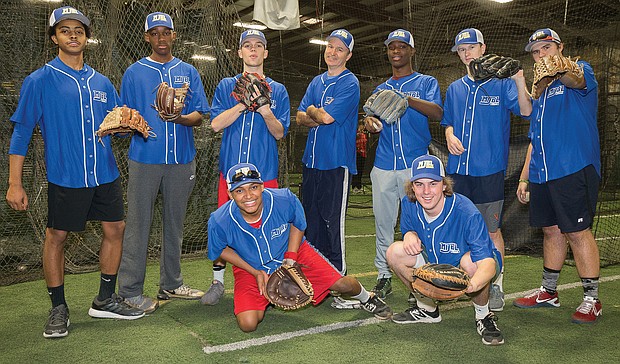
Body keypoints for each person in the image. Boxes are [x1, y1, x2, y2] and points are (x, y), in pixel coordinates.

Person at [5, 6, 145, 338]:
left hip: (105, 173)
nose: (72, 34)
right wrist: (15, 182)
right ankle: (58, 308)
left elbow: (116, 126)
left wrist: (127, 126)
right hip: (66, 175)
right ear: (54, 37)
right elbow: (22, 132)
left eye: (78, 30)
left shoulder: (102, 82)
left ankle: (105, 300)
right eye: (65, 30)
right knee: (57, 236)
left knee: (116, 229)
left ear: (86, 37)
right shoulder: (39, 80)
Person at [207, 162, 392, 332]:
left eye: (253, 187)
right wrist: (254, 272)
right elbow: (220, 250)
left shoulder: (283, 198)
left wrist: (291, 257)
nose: (248, 196)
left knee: (342, 284)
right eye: (239, 190)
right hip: (251, 266)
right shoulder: (219, 220)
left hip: (293, 253)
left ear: (262, 187)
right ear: (230, 194)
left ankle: (367, 297)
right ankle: (268, 298)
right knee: (248, 324)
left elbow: (298, 224)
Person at [117, 12, 210, 313]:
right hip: (145, 158)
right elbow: (125, 114)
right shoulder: (134, 72)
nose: (161, 38)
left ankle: (171, 283)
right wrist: (132, 123)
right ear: (147, 37)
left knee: (175, 225)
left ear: (173, 35)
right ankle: (130, 290)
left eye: (166, 32)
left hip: (182, 159)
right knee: (138, 224)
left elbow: (199, 116)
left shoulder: (188, 71)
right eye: (154, 33)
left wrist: (178, 117)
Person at [512, 28, 602, 324]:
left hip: (573, 167)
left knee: (577, 231)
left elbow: (576, 77)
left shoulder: (579, 70)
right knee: (551, 230)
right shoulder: (540, 92)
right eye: (536, 52)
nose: (541, 55)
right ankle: (549, 292)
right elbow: (533, 140)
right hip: (542, 172)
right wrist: (525, 176)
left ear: (560, 47)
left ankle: (592, 299)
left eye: (546, 48)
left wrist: (562, 66)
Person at [441, 28, 531, 311]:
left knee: (491, 230)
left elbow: (527, 111)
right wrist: (449, 135)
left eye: (471, 47)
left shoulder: (502, 84)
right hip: (457, 172)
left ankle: (497, 286)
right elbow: (448, 121)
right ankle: (453, 281)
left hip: (489, 171)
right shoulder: (455, 88)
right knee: (454, 229)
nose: (467, 53)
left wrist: (519, 79)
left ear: (483, 49)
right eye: (461, 49)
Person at [202, 29, 290, 305]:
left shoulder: (279, 90)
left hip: (265, 175)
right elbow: (215, 124)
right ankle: (217, 282)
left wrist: (264, 107)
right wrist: (243, 102)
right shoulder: (227, 85)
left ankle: (275, 281)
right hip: (230, 176)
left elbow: (279, 132)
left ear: (265, 53)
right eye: (247, 46)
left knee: (270, 230)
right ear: (239, 52)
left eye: (258, 46)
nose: (253, 50)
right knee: (222, 229)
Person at [386, 154, 504, 346]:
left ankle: (483, 315)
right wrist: (409, 234)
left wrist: (471, 285)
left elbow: (487, 263)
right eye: (419, 184)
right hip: (436, 261)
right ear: (412, 187)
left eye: (433, 183)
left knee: (470, 263)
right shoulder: (409, 203)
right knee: (394, 252)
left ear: (444, 185)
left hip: (472, 264)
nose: (426, 191)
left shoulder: (466, 211)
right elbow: (408, 228)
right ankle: (427, 308)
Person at [363, 29, 443, 300]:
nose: (396, 51)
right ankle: (384, 276)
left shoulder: (425, 82)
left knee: (419, 224)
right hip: (384, 164)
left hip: (415, 166)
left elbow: (437, 112)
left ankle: (420, 276)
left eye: (401, 47)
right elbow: (370, 119)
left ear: (411, 50)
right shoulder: (380, 88)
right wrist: (369, 123)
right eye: (391, 47)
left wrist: (406, 100)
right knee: (383, 224)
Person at [296, 29, 359, 279]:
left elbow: (326, 117)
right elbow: (300, 118)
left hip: (335, 163)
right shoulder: (316, 81)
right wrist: (314, 114)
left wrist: (312, 110)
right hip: (311, 163)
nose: (333, 52)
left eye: (339, 49)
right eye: (330, 46)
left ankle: (339, 277)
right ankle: (317, 275)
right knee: (311, 220)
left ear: (348, 55)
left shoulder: (349, 82)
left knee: (333, 224)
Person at [351, 123, 368, 193]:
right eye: (362, 126)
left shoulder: (363, 134)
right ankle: (354, 186)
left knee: (360, 171)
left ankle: (359, 186)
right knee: (356, 171)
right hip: (357, 154)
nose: (363, 127)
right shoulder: (356, 134)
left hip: (363, 154)